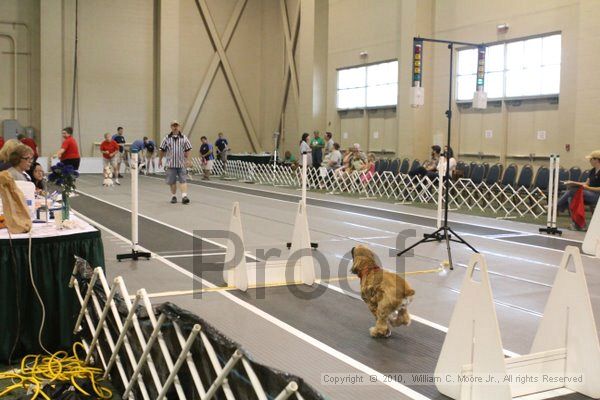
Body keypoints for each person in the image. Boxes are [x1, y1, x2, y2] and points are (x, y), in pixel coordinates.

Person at [557, 150, 600, 226]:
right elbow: (586, 184)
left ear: (596, 160)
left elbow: (590, 187)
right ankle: (578, 224)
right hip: (589, 194)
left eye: (591, 159)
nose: (589, 161)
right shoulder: (592, 171)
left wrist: (589, 188)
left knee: (572, 192)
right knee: (571, 197)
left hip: (597, 195)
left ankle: (557, 206)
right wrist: (573, 182)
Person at [159, 121, 192, 204]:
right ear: (171, 127)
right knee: (172, 182)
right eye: (173, 126)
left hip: (181, 164)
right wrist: (160, 159)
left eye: (176, 125)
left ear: (179, 127)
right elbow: (162, 150)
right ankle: (174, 196)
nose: (175, 127)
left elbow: (188, 149)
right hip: (170, 164)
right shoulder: (166, 138)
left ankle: (184, 196)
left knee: (183, 180)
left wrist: (187, 159)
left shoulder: (184, 138)